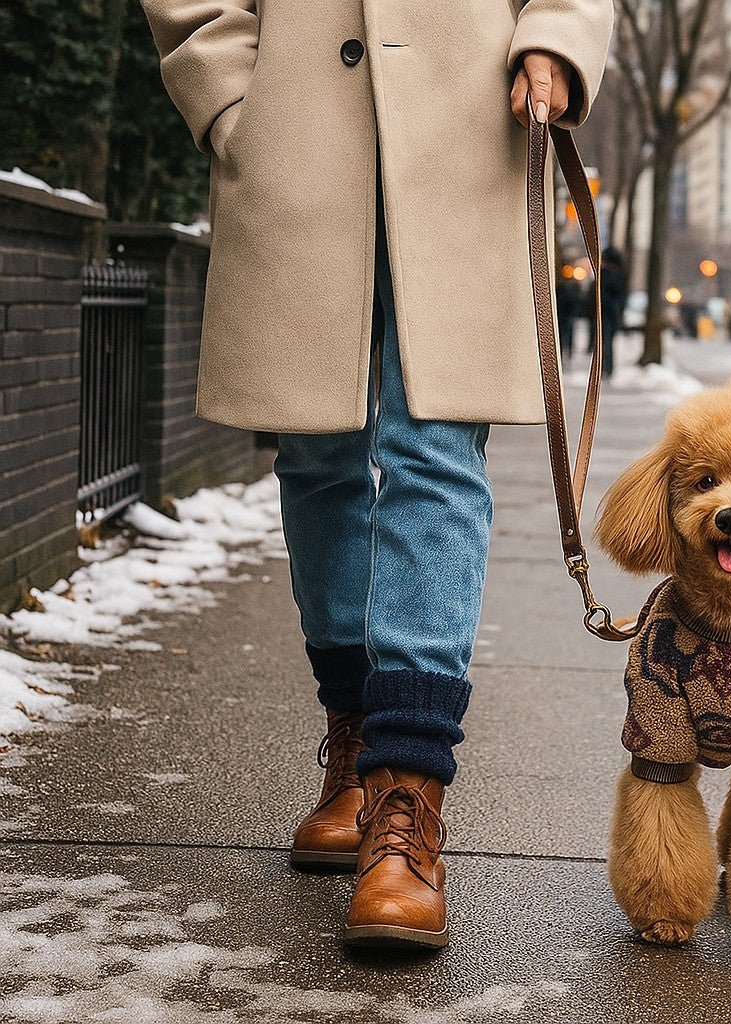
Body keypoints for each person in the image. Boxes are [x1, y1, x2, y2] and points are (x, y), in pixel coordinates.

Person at [140, 0, 613, 950]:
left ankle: (406, 809)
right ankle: (350, 746)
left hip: (469, 127)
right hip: (297, 134)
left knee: (435, 452)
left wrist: (557, 38)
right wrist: (233, 100)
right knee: (317, 455)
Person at [600, 247, 628, 378]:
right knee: (606, 342)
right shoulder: (616, 273)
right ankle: (605, 368)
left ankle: (607, 368)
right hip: (609, 312)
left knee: (607, 342)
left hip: (609, 312)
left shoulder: (612, 275)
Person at [555, 274, 582, 364]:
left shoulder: (571, 289)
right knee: (564, 336)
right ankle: (564, 354)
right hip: (564, 316)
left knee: (566, 336)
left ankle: (567, 353)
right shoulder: (565, 288)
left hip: (566, 316)